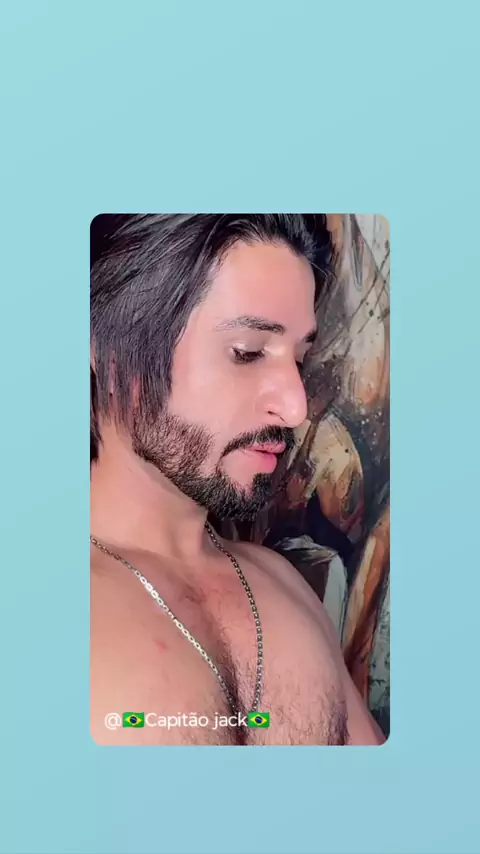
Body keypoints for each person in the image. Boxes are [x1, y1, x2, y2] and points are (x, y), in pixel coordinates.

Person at [90, 214, 385, 745]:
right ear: (102, 346)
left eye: (300, 359)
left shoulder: (286, 587)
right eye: (247, 352)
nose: (296, 408)